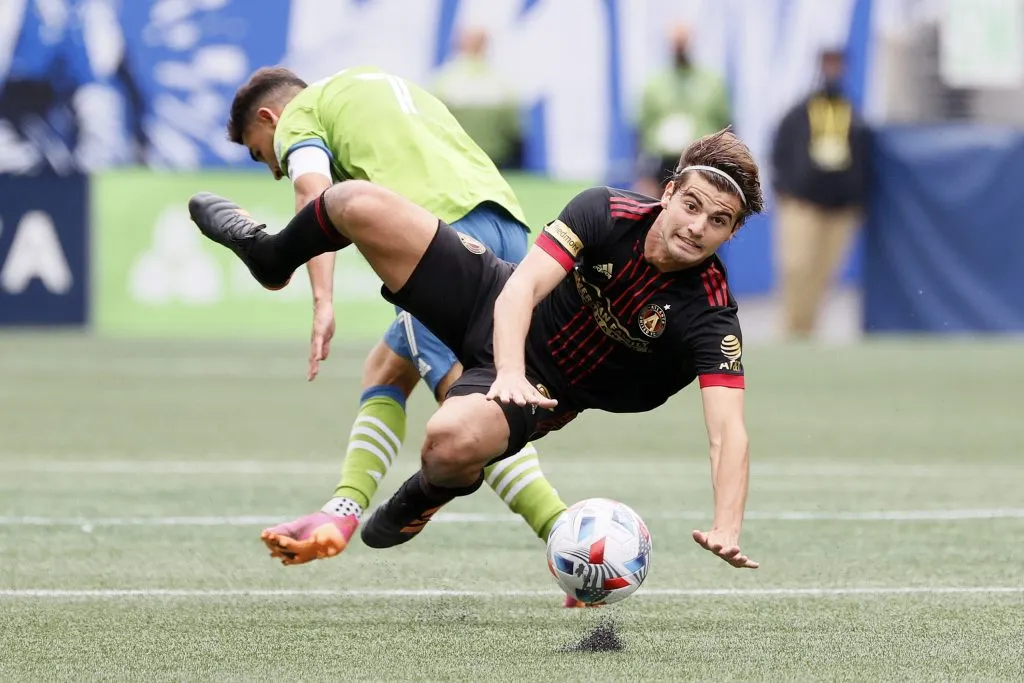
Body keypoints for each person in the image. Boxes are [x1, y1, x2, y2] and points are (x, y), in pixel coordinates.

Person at [189, 128, 764, 571]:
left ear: (732, 234)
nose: (697, 227)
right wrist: (506, 368)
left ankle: (427, 494)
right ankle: (270, 258)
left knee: (446, 444)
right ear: (668, 193)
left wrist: (726, 526)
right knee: (355, 202)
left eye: (719, 221)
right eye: (691, 205)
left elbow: (727, 431)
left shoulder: (711, 316)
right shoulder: (604, 210)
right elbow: (521, 287)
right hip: (493, 298)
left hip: (547, 390)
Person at [224, 65, 573, 593]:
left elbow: (312, 199)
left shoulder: (300, 115)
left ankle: (569, 542)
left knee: (470, 405)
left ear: (271, 117)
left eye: (260, 152)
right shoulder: (385, 86)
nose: (272, 168)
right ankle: (342, 508)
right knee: (387, 366)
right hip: (506, 227)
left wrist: (322, 299)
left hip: (437, 240)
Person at [770, 48, 870, 339]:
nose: (832, 70)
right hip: (803, 203)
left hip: (839, 208)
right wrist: (786, 189)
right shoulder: (799, 112)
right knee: (797, 266)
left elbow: (862, 158)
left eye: (837, 64)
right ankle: (792, 330)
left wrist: (857, 198)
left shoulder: (852, 113)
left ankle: (810, 331)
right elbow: (780, 151)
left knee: (824, 273)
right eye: (827, 63)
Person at [634, 23, 731, 198]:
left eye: (683, 42)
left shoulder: (712, 82)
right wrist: (643, 175)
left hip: (704, 162)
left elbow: (727, 127)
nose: (679, 48)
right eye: (675, 43)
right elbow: (640, 133)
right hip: (663, 164)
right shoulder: (654, 85)